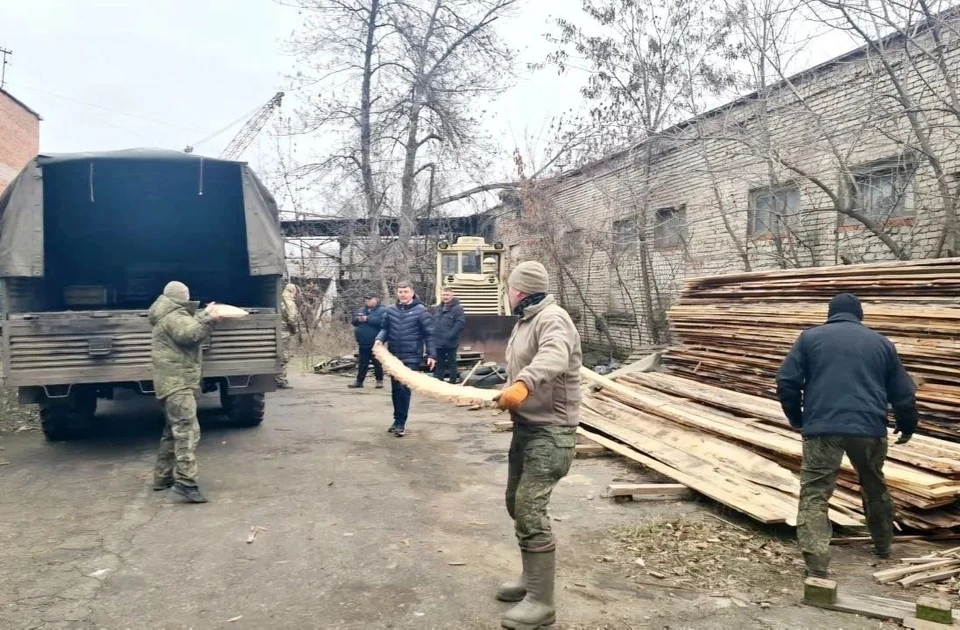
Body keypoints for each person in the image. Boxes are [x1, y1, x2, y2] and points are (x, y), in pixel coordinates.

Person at [777, 293, 917, 578]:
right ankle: (883, 546)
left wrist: (797, 419)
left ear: (830, 314)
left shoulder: (810, 339)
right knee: (874, 485)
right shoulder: (881, 343)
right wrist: (907, 424)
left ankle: (817, 564)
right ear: (860, 314)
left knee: (815, 493)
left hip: (822, 429)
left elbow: (786, 381)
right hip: (869, 428)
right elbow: (903, 392)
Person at [493, 260, 582, 630]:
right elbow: (522, 365)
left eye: (509, 287)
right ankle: (531, 581)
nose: (508, 292)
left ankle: (542, 603)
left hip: (551, 432)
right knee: (516, 503)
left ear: (518, 290)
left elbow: (553, 356)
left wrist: (523, 384)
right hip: (527, 427)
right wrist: (504, 389)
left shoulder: (552, 318)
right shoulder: (526, 320)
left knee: (530, 510)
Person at [149, 281, 223, 504]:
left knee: (173, 431)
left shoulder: (169, 313)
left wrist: (205, 313)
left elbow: (188, 324)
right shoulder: (174, 316)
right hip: (178, 383)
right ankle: (186, 482)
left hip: (171, 383)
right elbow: (189, 334)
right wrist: (210, 319)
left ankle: (163, 477)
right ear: (183, 296)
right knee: (188, 431)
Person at [374, 281, 436, 437]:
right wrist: (379, 339)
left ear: (412, 293)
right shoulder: (390, 310)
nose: (403, 295)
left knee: (403, 389)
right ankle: (396, 420)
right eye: (400, 292)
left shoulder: (421, 311)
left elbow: (429, 334)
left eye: (406, 292)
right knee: (395, 389)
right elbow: (385, 329)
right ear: (397, 293)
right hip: (394, 355)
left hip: (412, 355)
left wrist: (431, 355)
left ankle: (401, 423)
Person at [349, 295, 387, 389]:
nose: (367, 302)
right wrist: (358, 319)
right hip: (363, 341)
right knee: (362, 363)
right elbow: (354, 321)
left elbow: (382, 322)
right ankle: (359, 381)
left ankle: (379, 381)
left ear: (376, 299)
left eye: (369, 300)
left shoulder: (382, 310)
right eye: (366, 300)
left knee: (377, 362)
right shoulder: (361, 310)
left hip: (376, 341)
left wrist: (367, 319)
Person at [432, 287, 466, 383]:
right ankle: (439, 382)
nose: (445, 297)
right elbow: (433, 322)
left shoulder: (458, 308)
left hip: (451, 342)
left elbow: (460, 323)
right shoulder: (438, 308)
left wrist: (450, 335)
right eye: (443, 295)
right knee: (440, 364)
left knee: (452, 363)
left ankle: (452, 382)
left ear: (452, 296)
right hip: (438, 341)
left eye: (447, 295)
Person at [277, 282, 300, 389]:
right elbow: (292, 319)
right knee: (284, 356)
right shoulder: (289, 303)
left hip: (275, 331)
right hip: (285, 333)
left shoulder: (278, 301)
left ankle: (274, 377)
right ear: (292, 292)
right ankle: (280, 379)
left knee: (275, 354)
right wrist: (294, 330)